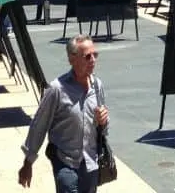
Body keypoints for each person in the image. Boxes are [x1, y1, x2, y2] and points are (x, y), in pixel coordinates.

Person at [19, 34, 109, 192]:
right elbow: (39, 125)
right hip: (66, 162)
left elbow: (103, 130)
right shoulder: (57, 89)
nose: (93, 60)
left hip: (90, 163)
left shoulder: (97, 86)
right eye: (87, 56)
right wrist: (28, 163)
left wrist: (103, 122)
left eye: (95, 55)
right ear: (72, 59)